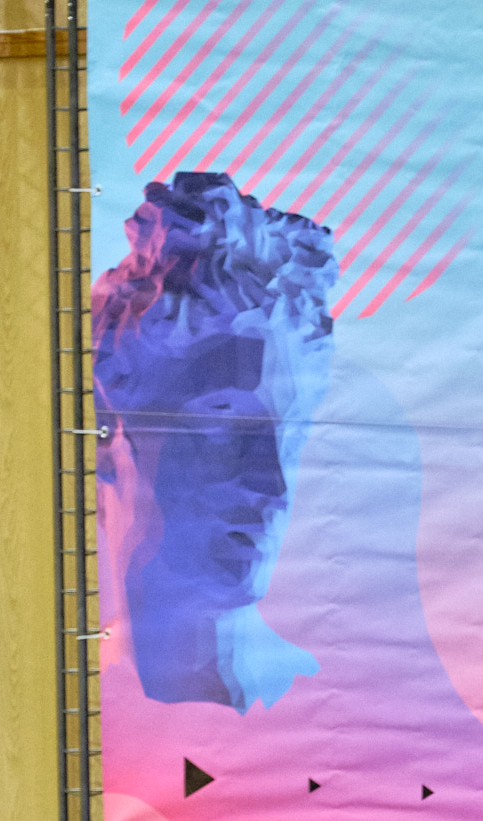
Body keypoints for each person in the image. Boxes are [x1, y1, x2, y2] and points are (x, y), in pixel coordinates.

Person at [94, 172, 338, 713]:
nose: (273, 486)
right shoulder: (49, 695)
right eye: (225, 424)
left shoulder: (347, 702)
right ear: (104, 433)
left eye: (291, 437)